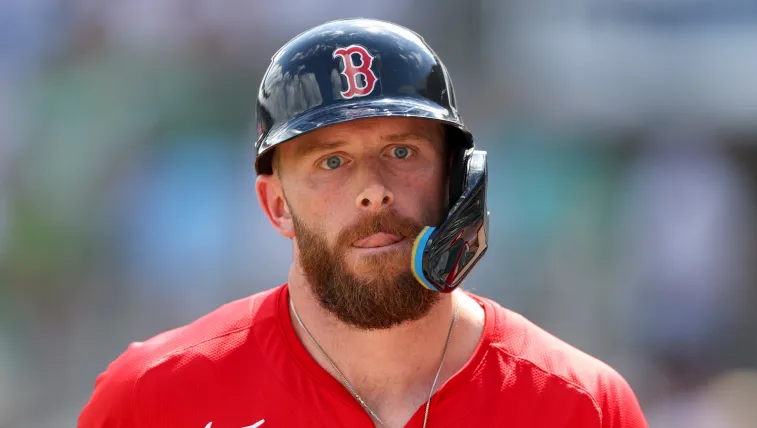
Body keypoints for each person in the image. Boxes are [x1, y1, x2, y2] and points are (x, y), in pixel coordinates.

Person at [78, 18, 647, 428]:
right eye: (332, 161)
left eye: (402, 152)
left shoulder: (583, 406)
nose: (373, 189)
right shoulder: (152, 398)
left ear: (458, 180)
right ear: (276, 205)